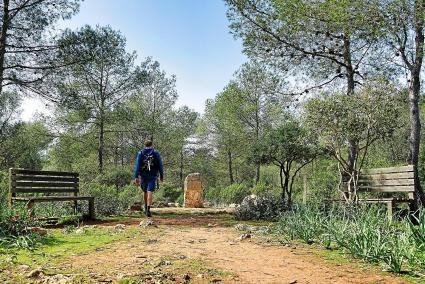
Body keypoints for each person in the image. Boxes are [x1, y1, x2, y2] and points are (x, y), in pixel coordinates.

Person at [133, 140, 164, 217]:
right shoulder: (156, 153)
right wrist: (161, 175)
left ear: (145, 145)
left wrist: (136, 176)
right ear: (151, 145)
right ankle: (148, 209)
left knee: (145, 191)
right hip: (152, 175)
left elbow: (137, 165)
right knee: (150, 191)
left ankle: (146, 208)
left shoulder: (140, 153)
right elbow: (160, 164)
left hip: (143, 175)